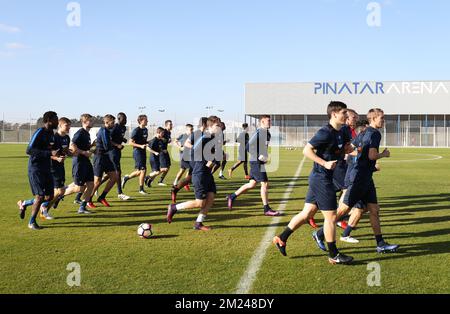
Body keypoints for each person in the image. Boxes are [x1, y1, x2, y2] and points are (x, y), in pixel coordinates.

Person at [272, 101, 354, 264]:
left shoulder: (343, 130)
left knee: (307, 214)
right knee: (330, 217)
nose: (347, 115)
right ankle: (333, 254)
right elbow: (306, 150)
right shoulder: (325, 132)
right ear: (334, 114)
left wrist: (353, 148)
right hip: (320, 178)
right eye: (344, 112)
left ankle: (281, 238)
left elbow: (345, 149)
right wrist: (324, 163)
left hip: (323, 178)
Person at [313, 109, 399, 254]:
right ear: (373, 118)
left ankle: (380, 243)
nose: (383, 121)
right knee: (343, 210)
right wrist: (383, 154)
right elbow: (372, 156)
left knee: (374, 210)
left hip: (365, 177)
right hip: (359, 178)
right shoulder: (374, 133)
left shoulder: (363, 132)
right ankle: (320, 234)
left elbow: (349, 149)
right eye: (382, 118)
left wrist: (358, 155)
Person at [166, 116, 222, 231]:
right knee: (199, 203)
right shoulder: (205, 138)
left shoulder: (214, 138)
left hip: (207, 173)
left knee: (211, 197)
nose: (219, 127)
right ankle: (174, 207)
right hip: (200, 172)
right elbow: (195, 150)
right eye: (217, 125)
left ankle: (198, 223)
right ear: (210, 126)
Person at [226, 115, 280, 216]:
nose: (270, 122)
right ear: (262, 122)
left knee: (252, 184)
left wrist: (265, 156)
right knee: (264, 184)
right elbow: (248, 146)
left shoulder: (267, 133)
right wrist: (259, 156)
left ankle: (232, 196)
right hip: (256, 162)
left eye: (270, 121)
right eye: (268, 121)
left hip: (258, 161)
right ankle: (266, 209)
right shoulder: (259, 132)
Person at [17, 111, 59, 230]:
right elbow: (29, 150)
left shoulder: (51, 133)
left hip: (47, 167)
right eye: (56, 119)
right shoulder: (40, 132)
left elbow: (54, 148)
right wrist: (49, 153)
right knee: (40, 196)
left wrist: (64, 151)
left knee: (49, 197)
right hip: (35, 168)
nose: (57, 122)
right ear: (49, 120)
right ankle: (31, 222)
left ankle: (24, 203)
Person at [170, 118, 208, 204]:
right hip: (194, 157)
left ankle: (175, 190)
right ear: (204, 124)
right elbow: (187, 143)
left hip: (200, 158)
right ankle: (201, 196)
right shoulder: (196, 133)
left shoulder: (205, 134)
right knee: (197, 176)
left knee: (190, 178)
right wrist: (195, 148)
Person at [70, 114, 96, 214]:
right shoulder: (80, 133)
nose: (92, 122)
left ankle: (82, 207)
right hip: (79, 162)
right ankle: (60, 194)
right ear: (84, 122)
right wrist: (84, 152)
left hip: (86, 162)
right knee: (79, 188)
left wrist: (92, 146)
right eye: (90, 120)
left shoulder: (87, 134)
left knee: (90, 184)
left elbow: (85, 146)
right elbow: (72, 145)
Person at [91, 114, 119, 207]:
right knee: (97, 181)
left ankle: (102, 197)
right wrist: (115, 147)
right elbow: (106, 145)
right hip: (99, 157)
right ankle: (88, 199)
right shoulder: (103, 130)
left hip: (106, 157)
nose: (114, 124)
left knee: (114, 177)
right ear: (107, 122)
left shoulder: (107, 131)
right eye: (112, 122)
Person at [122, 115, 149, 194]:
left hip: (143, 152)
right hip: (137, 152)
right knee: (143, 170)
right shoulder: (136, 130)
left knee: (140, 171)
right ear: (141, 121)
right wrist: (140, 146)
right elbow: (130, 142)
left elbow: (144, 141)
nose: (147, 121)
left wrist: (149, 142)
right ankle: (141, 189)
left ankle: (126, 178)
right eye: (146, 120)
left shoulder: (146, 130)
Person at [172, 124, 194, 188]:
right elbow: (175, 141)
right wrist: (180, 147)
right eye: (191, 129)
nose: (192, 131)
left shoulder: (192, 136)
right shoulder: (183, 136)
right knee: (183, 170)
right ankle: (177, 182)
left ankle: (185, 182)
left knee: (190, 169)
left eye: (193, 129)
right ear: (187, 130)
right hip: (184, 155)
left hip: (190, 156)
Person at [157, 120, 173, 186]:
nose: (171, 126)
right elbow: (158, 140)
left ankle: (160, 180)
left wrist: (169, 141)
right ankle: (150, 177)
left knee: (168, 167)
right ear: (166, 125)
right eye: (170, 125)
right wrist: (161, 149)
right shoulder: (164, 132)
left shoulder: (169, 132)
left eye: (171, 124)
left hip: (165, 151)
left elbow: (166, 141)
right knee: (164, 168)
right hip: (161, 151)